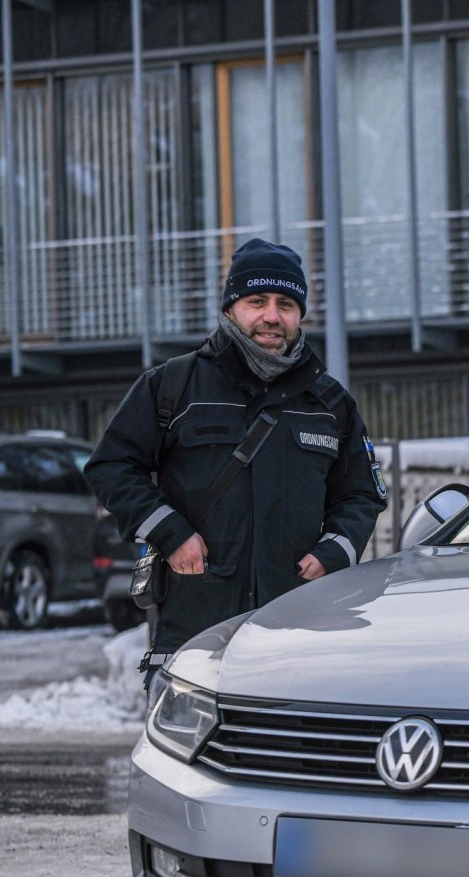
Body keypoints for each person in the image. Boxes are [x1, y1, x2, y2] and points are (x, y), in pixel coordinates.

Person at [86, 238, 387, 675]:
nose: (272, 316)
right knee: (186, 743)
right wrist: (169, 532)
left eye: (286, 303)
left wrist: (334, 552)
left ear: (299, 314)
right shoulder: (173, 385)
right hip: (194, 625)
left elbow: (361, 494)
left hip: (296, 625)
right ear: (230, 308)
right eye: (256, 301)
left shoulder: (330, 403)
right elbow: (112, 466)